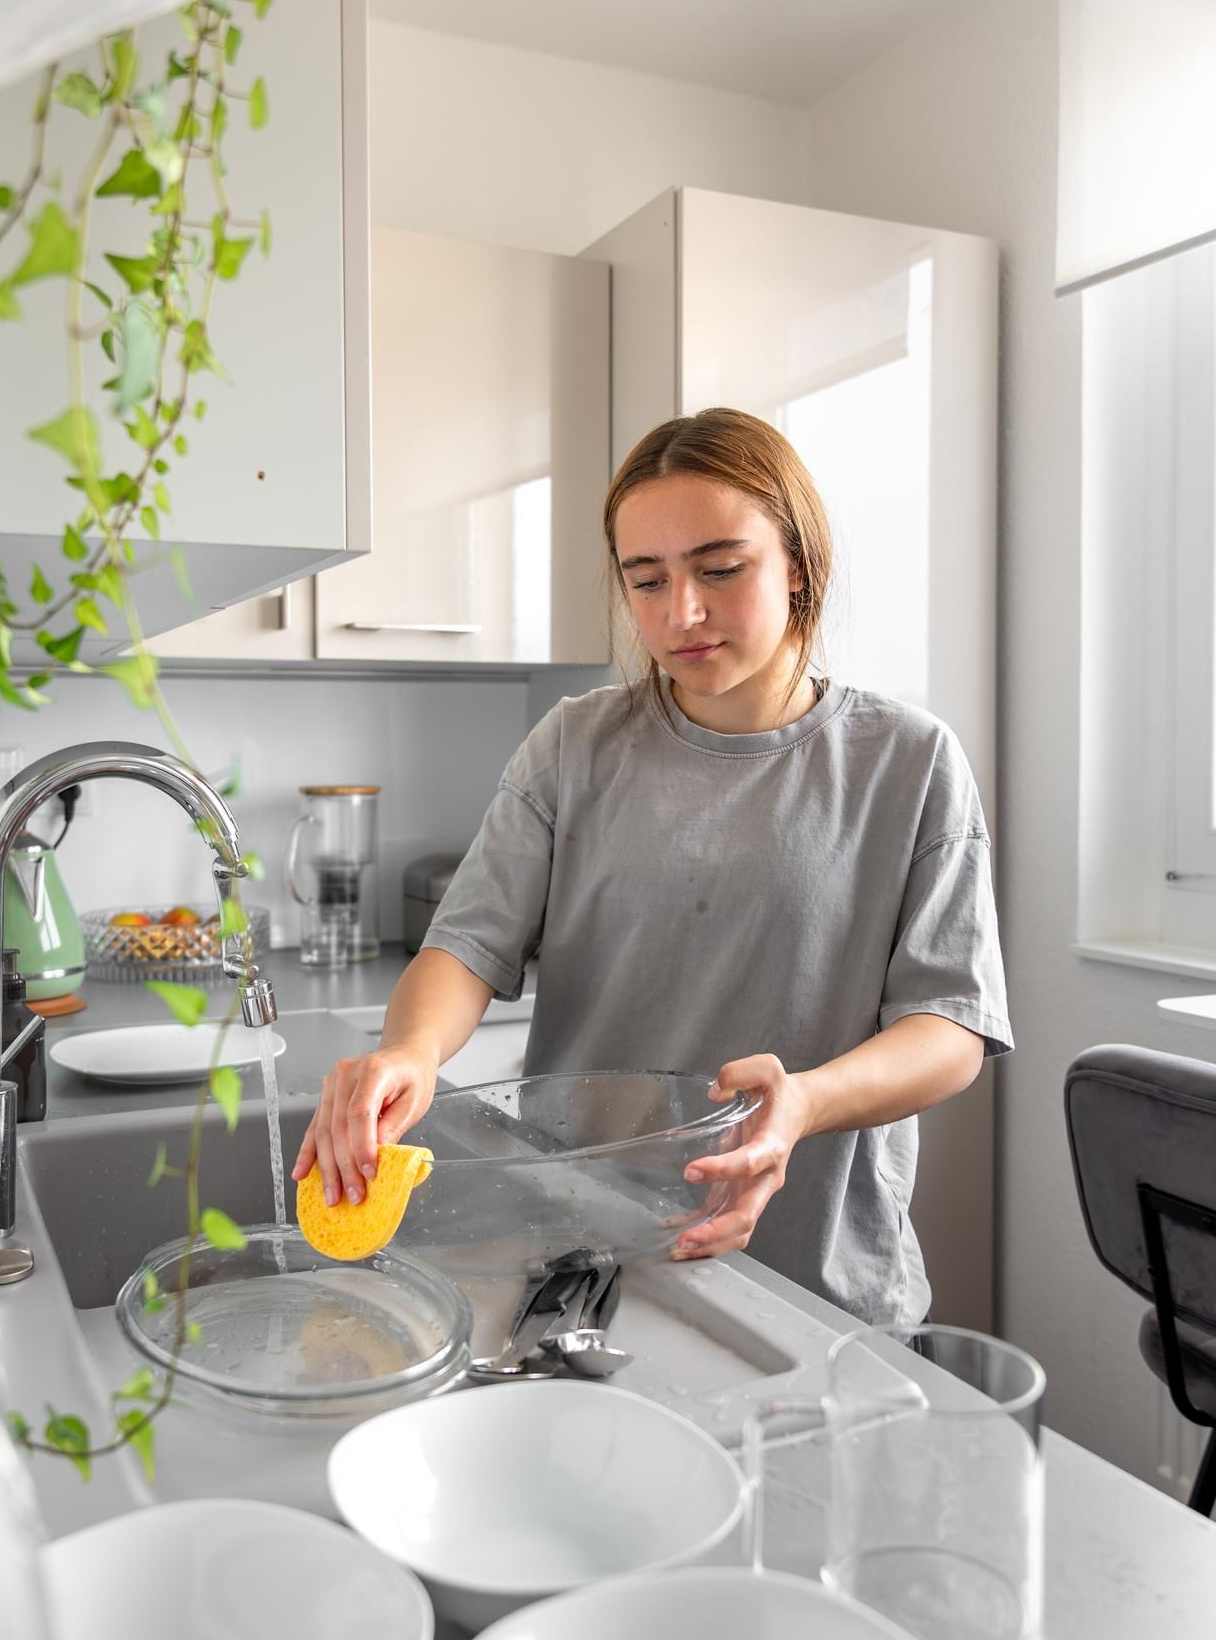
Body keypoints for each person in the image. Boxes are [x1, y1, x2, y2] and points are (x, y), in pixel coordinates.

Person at [292, 407, 1012, 1326]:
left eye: (721, 568)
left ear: (797, 562)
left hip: (815, 1274)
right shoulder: (574, 745)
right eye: (646, 579)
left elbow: (949, 1029)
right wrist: (408, 1051)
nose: (682, 613)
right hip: (583, 1261)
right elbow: (466, 945)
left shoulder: (907, 761)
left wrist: (803, 1104)